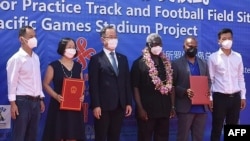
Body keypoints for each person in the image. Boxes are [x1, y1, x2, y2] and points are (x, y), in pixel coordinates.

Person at [88, 25, 133, 141]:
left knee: (115, 136)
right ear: (103, 39)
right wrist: (96, 105)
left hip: (120, 105)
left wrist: (128, 102)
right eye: (110, 36)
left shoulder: (123, 58)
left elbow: (127, 82)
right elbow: (93, 84)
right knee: (101, 136)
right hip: (103, 107)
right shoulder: (96, 59)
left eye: (115, 36)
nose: (114, 39)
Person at [131, 33, 175, 141]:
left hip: (164, 109)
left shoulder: (166, 63)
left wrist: (172, 106)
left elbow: (171, 86)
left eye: (159, 44)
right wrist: (140, 108)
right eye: (154, 44)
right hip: (147, 111)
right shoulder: (139, 63)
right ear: (148, 45)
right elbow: (135, 87)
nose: (157, 46)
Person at [42, 37, 86, 141]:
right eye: (69, 47)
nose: (72, 49)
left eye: (74, 47)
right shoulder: (53, 66)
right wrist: (56, 96)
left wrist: (82, 95)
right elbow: (45, 84)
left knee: (73, 135)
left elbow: (81, 84)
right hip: (58, 106)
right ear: (63, 48)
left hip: (74, 107)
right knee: (59, 135)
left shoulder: (78, 66)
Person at [6, 25, 45, 141]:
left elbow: (37, 80)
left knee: (32, 136)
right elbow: (12, 82)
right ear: (21, 39)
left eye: (35, 36)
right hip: (22, 102)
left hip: (36, 102)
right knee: (19, 136)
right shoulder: (16, 59)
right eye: (30, 36)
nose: (34, 39)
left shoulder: (36, 58)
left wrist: (41, 98)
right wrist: (13, 104)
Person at [208, 28, 246, 141]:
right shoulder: (213, 57)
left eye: (229, 38)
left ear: (233, 39)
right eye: (224, 39)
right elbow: (211, 79)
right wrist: (210, 98)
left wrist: (243, 96)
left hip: (235, 97)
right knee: (217, 129)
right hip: (219, 98)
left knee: (234, 131)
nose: (227, 41)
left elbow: (240, 77)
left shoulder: (238, 57)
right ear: (218, 41)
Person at [171, 36, 210, 141]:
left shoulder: (203, 63)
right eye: (190, 46)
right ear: (184, 47)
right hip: (185, 108)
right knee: (182, 137)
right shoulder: (176, 63)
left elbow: (208, 81)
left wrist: (207, 92)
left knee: (198, 137)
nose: (193, 48)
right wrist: (184, 91)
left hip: (201, 108)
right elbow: (172, 85)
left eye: (195, 46)